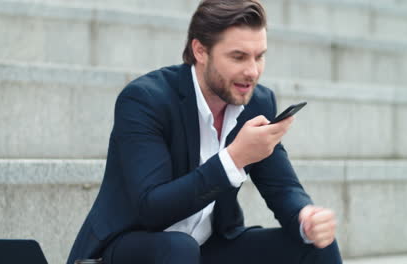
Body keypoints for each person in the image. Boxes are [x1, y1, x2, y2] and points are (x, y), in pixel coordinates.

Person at [67, 0, 342, 263]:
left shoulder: (257, 102)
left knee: (315, 245)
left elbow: (281, 186)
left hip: (206, 249)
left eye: (259, 57)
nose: (252, 71)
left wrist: (305, 216)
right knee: (178, 247)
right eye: (238, 57)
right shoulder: (145, 100)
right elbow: (152, 208)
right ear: (200, 51)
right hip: (129, 248)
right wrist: (233, 159)